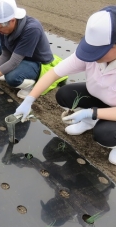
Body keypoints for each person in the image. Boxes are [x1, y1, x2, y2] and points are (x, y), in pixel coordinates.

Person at [14, 6, 116, 165]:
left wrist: (91, 112)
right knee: (65, 94)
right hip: (102, 99)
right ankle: (89, 122)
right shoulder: (91, 55)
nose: (92, 56)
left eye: (98, 52)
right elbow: (53, 74)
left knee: (105, 134)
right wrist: (29, 100)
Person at [0, 0, 67, 99]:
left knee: (11, 78)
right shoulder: (4, 27)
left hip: (37, 62)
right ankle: (4, 71)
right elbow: (6, 54)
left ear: (12, 21)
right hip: (19, 54)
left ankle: (31, 85)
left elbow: (14, 62)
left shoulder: (32, 29)